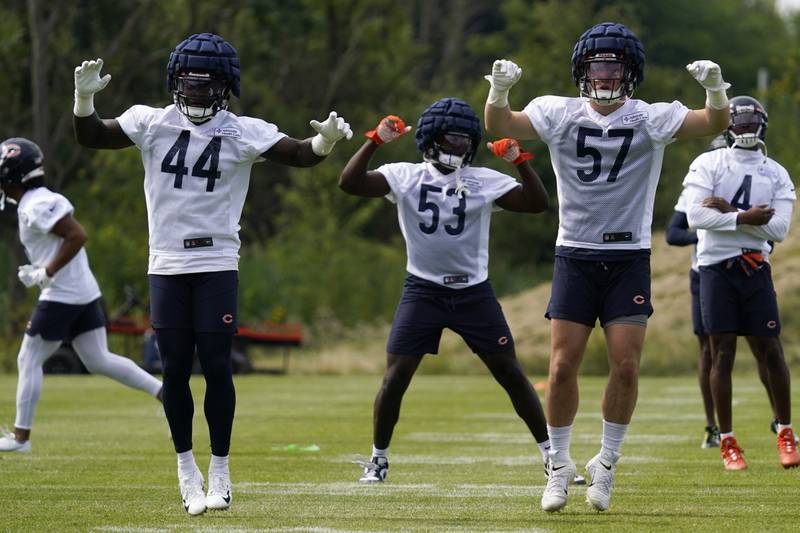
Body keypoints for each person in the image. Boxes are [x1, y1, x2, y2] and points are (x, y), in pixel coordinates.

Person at [72, 33, 352, 515]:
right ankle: (186, 470)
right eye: (190, 85)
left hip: (217, 263)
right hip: (167, 264)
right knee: (175, 369)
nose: (198, 94)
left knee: (218, 367)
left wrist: (325, 139)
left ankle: (220, 469)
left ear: (226, 87)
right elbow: (92, 135)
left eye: (207, 87)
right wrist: (83, 98)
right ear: (175, 83)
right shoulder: (151, 121)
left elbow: (301, 154)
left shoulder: (242, 130)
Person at [483, 22, 730, 512]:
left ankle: (607, 463)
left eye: (615, 67)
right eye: (598, 66)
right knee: (560, 366)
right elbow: (499, 124)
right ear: (582, 71)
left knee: (626, 365)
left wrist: (716, 88)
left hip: (629, 256)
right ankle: (558, 465)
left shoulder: (649, 117)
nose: (606, 76)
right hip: (574, 252)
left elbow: (713, 123)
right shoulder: (559, 112)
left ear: (630, 73)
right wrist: (499, 88)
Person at [339, 98, 567, 485]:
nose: (458, 148)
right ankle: (378, 460)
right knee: (395, 378)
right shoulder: (406, 175)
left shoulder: (483, 179)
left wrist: (519, 160)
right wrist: (376, 139)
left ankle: (552, 457)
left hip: (473, 292)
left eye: (465, 141)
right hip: (422, 290)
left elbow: (537, 203)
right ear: (430, 140)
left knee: (510, 373)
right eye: (451, 140)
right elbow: (350, 182)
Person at [0, 137, 163, 454]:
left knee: (28, 357)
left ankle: (21, 438)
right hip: (82, 291)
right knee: (97, 359)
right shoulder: (32, 203)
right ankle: (165, 394)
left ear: (13, 175)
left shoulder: (36, 203)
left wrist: (45, 272)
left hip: (63, 293)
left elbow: (77, 235)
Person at [683, 95, 799, 470]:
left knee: (771, 350)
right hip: (715, 267)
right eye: (741, 122)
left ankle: (785, 431)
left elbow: (780, 230)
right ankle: (727, 440)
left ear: (762, 125)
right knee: (722, 353)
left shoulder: (776, 172)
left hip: (754, 266)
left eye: (751, 123)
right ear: (728, 125)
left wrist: (732, 212)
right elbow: (693, 218)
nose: (746, 129)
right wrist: (746, 218)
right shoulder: (709, 162)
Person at [666, 134, 781, 450]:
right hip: (706, 274)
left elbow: (771, 235)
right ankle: (713, 427)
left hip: (748, 270)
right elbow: (674, 233)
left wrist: (732, 221)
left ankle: (779, 420)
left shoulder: (754, 186)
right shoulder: (699, 191)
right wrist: (708, 232)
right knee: (712, 352)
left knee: (765, 347)